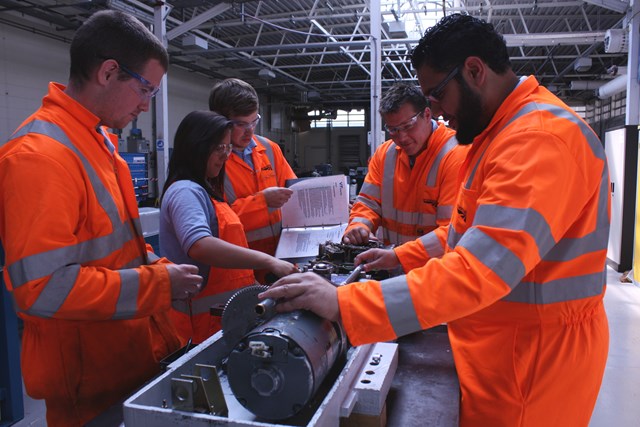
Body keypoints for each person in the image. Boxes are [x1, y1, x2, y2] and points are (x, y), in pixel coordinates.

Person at [260, 13, 610, 427]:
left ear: (475, 70)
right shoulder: (497, 137)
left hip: (531, 363)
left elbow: (479, 268)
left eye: (437, 96)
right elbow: (465, 237)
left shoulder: (537, 140)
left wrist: (345, 303)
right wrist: (400, 258)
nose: (438, 113)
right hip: (499, 346)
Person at [0, 10, 204, 427]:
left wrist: (157, 265)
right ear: (109, 72)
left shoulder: (99, 144)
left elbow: (117, 251)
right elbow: (44, 290)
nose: (146, 105)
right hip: (88, 383)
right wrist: (158, 284)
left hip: (126, 360)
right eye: (145, 89)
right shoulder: (40, 157)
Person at [160, 111, 297, 344]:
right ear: (197, 147)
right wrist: (268, 261)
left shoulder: (207, 191)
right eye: (219, 149)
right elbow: (200, 245)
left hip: (223, 320)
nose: (225, 156)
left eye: (227, 148)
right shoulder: (185, 191)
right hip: (199, 328)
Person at [342, 82, 467, 246]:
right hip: (390, 265)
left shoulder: (456, 154)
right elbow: (368, 204)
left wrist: (398, 256)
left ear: (427, 115)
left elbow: (451, 231)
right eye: (393, 130)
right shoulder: (383, 155)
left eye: (408, 126)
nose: (402, 138)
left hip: (434, 268)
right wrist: (359, 226)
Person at [208, 78, 297, 282]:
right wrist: (262, 202)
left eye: (254, 121)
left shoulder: (270, 150)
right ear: (219, 120)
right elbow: (216, 222)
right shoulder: (210, 160)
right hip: (240, 264)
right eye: (240, 124)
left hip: (281, 256)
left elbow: (295, 192)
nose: (250, 131)